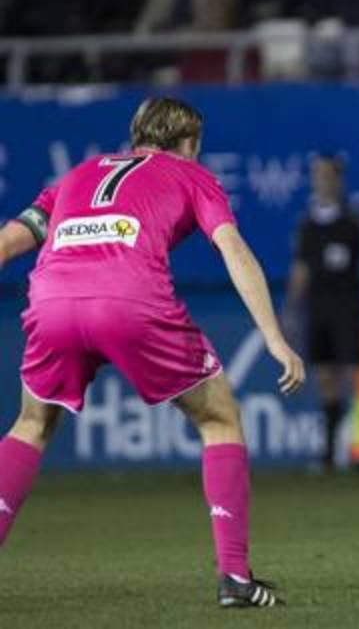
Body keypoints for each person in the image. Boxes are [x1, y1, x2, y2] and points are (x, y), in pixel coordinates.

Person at [0, 97, 306, 607]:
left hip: (52, 302)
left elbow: (11, 240)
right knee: (219, 418)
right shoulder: (192, 175)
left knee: (30, 424)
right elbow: (232, 248)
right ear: (188, 143)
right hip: (128, 301)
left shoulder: (78, 174)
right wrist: (274, 337)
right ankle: (234, 577)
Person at [284, 156, 359, 471]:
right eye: (317, 175)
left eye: (327, 175)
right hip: (319, 306)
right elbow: (300, 268)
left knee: (357, 372)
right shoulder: (308, 225)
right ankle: (328, 453)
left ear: (339, 179)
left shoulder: (355, 221)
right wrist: (290, 308)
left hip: (349, 306)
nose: (321, 181)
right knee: (326, 376)